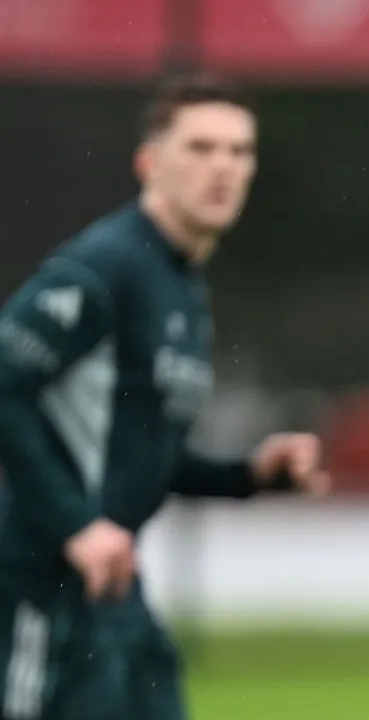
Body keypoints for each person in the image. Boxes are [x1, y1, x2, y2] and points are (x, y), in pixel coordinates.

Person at [0, 73, 331, 720]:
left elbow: (148, 452)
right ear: (150, 163)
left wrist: (250, 474)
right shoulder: (104, 267)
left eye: (240, 151)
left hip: (113, 595)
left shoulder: (178, 282)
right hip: (39, 589)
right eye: (201, 148)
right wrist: (77, 526)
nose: (224, 168)